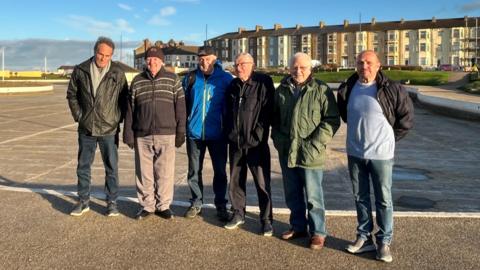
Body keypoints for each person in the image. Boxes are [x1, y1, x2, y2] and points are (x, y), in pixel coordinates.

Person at [337, 50, 414, 263]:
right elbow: (346, 115)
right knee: (360, 197)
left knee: (383, 199)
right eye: (360, 62)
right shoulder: (348, 88)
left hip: (381, 155)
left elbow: (405, 120)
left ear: (379, 65)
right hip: (354, 153)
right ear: (355, 65)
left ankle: (384, 241)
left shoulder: (392, 89)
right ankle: (364, 237)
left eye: (369, 62)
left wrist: (388, 140)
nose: (365, 67)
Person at [271, 52, 340, 249]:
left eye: (302, 67)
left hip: (311, 153)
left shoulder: (321, 89)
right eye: (294, 67)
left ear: (310, 69)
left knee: (313, 196)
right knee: (292, 193)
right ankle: (298, 226)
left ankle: (318, 232)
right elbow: (274, 119)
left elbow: (332, 120)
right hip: (287, 151)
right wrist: (278, 140)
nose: (298, 71)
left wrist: (315, 144)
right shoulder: (282, 90)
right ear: (289, 68)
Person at [66, 36, 128, 217]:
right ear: (94, 52)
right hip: (87, 128)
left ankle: (112, 202)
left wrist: (117, 118)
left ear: (111, 56)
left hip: (109, 129)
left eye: (107, 55)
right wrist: (79, 116)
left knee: (111, 167)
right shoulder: (81, 70)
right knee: (83, 166)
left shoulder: (118, 72)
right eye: (100, 54)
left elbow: (124, 99)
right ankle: (83, 200)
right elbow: (72, 95)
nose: (103, 58)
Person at [123, 46, 186, 220]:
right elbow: (130, 110)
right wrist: (128, 133)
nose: (152, 62)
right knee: (144, 173)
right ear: (145, 61)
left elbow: (181, 108)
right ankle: (147, 206)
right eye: (149, 59)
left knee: (164, 172)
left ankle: (163, 206)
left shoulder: (173, 79)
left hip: (167, 134)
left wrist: (181, 132)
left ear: (162, 61)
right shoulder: (137, 81)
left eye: (156, 59)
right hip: (142, 135)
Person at [223, 53, 275, 236]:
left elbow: (268, 111)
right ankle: (238, 213)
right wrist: (230, 132)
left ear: (252, 65)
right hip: (236, 143)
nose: (238, 68)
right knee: (236, 181)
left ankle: (266, 220)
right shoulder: (233, 85)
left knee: (262, 183)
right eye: (236, 64)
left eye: (242, 64)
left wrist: (258, 135)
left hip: (256, 144)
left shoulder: (263, 82)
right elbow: (227, 112)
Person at [182, 46, 233, 221]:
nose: (204, 62)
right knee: (194, 171)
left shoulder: (225, 79)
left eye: (208, 58)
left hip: (217, 135)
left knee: (220, 172)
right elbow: (182, 105)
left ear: (215, 58)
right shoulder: (190, 78)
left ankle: (221, 204)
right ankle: (196, 202)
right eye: (201, 58)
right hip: (194, 134)